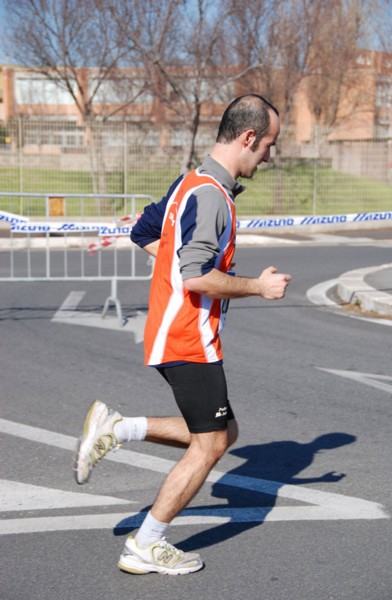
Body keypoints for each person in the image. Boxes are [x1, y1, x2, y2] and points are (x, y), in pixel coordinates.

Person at [73, 94, 292, 576]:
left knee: (221, 432)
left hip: (175, 330)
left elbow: (145, 233)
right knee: (211, 444)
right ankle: (146, 542)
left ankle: (118, 428)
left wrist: (178, 276)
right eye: (269, 145)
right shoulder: (211, 195)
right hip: (189, 336)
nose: (270, 156)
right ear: (248, 137)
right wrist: (257, 286)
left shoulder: (189, 182)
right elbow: (194, 276)